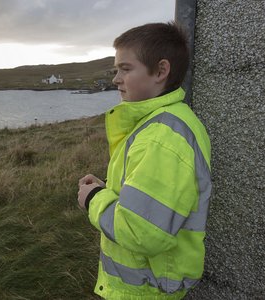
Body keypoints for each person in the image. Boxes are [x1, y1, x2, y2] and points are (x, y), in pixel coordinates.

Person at [77, 22, 212, 299]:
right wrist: (109, 190)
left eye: (125, 69)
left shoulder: (161, 139)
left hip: (147, 289)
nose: (116, 78)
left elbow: (141, 232)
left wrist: (94, 199)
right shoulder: (166, 123)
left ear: (161, 71)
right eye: (116, 69)